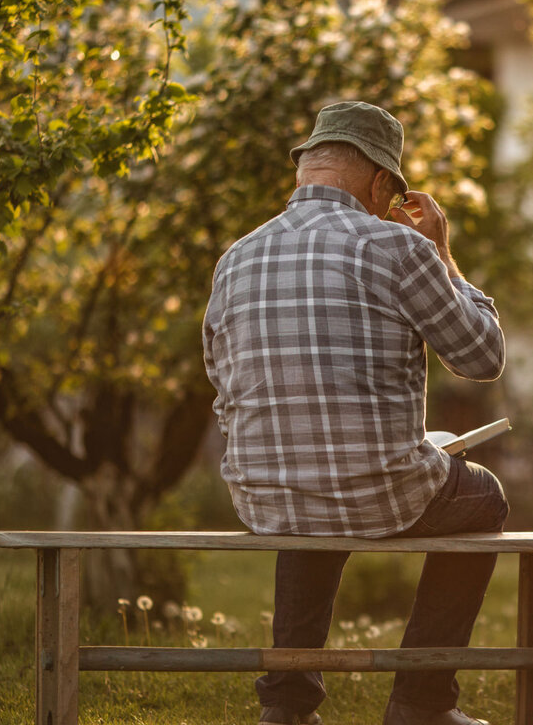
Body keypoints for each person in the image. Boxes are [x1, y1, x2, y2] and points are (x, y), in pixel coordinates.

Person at [202, 101, 509, 725]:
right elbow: (482, 357)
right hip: (376, 491)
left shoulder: (235, 258)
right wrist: (443, 253)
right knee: (485, 497)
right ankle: (421, 703)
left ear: (307, 170)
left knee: (312, 489)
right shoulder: (398, 246)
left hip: (263, 495)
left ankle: (287, 706)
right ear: (380, 183)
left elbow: (220, 378)